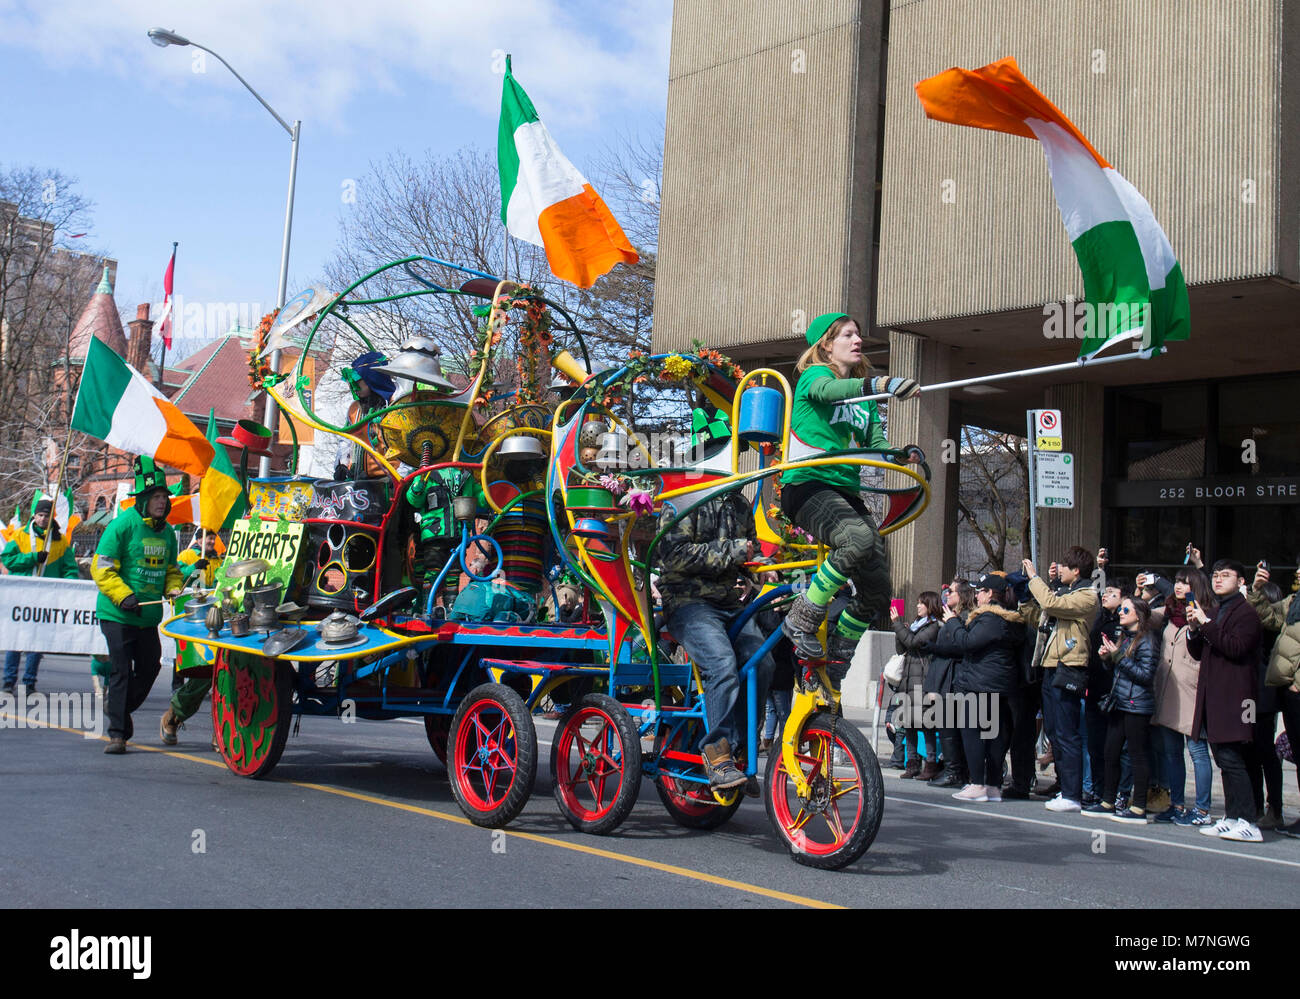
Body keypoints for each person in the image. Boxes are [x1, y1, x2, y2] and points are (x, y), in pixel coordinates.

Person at [778, 312, 920, 681]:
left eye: (858, 335)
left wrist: (901, 455)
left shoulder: (866, 396)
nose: (858, 340)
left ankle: (839, 654)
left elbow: (876, 446)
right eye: (848, 335)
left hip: (845, 491)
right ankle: (801, 617)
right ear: (826, 344)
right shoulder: (815, 377)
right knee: (856, 540)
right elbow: (830, 392)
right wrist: (883, 383)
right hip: (808, 486)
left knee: (878, 588)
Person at [657, 469, 775, 794]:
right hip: (687, 602)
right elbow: (672, 555)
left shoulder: (739, 504)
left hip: (729, 603)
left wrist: (762, 568)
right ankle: (717, 756)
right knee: (722, 664)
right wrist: (736, 552)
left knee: (762, 663)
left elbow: (749, 556)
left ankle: (739, 749)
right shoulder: (682, 497)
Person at [90, 457, 184, 754]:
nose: (161, 502)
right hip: (117, 613)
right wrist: (123, 595)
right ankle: (118, 734)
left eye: (164, 498)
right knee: (120, 669)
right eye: (156, 497)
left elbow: (171, 568)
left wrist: (173, 586)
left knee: (150, 666)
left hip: (146, 617)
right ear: (143, 499)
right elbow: (101, 567)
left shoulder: (168, 533)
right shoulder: (121, 525)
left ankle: (116, 704)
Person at [1187, 559, 1264, 843]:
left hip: (1238, 698)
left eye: (1226, 575)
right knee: (1222, 757)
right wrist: (1195, 629)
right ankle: (1232, 816)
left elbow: (1236, 647)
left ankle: (1249, 820)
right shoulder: (1216, 611)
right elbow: (1199, 652)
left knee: (1235, 759)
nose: (1218, 580)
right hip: (1214, 695)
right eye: (1215, 576)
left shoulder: (1247, 614)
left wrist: (1206, 624)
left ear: (1241, 581)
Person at [930, 572, 1024, 802]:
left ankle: (978, 783)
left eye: (980, 591)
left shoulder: (991, 619)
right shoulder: (1008, 620)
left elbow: (967, 643)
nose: (977, 595)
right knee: (994, 736)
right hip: (997, 684)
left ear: (991, 594)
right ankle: (992, 785)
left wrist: (952, 622)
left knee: (973, 732)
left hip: (981, 683)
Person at [1023, 546, 1099, 813]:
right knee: (1055, 732)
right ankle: (1065, 789)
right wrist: (1026, 593)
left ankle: (1072, 793)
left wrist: (1035, 578)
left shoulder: (1087, 596)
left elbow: (1052, 604)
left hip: (1070, 665)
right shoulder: (1063, 593)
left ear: (1077, 570)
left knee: (1067, 733)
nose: (1060, 570)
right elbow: (1040, 615)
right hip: (1051, 664)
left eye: (1065, 567)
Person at [1151, 568, 1217, 826]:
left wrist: (1198, 624)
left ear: (1197, 586)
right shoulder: (1169, 612)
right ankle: (1177, 804)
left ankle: (1202, 809)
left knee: (1198, 751)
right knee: (1171, 752)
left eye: (1184, 582)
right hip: (1168, 693)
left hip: (1194, 692)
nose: (1178, 586)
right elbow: (1143, 615)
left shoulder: (1207, 614)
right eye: (1177, 582)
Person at [1085, 597, 1159, 822]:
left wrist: (1117, 657)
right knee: (1110, 752)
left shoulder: (1147, 640)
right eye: (1121, 609)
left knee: (1137, 755)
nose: (1121, 613)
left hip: (1137, 704)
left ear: (1139, 614)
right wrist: (1108, 659)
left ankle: (1138, 807)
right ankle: (1108, 801)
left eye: (1126, 609)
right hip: (1119, 701)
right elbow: (1119, 672)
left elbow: (1145, 676)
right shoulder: (1125, 638)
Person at [2, 498, 82, 694]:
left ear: (52, 517)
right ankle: (8, 681)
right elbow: (8, 560)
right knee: (16, 640)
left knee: (38, 642)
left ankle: (29, 682)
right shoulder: (20, 536)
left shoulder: (60, 541)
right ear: (34, 516)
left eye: (47, 515)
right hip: (20, 597)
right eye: (40, 515)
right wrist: (32, 558)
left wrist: (70, 588)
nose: (43, 519)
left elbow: (69, 568)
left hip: (45, 600)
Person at [1248, 562, 1300, 838]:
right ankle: (1257, 807)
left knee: (1267, 749)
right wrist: (1256, 590)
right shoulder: (1293, 603)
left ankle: (1274, 809)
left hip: (1279, 689)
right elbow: (1268, 617)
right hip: (1266, 687)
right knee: (1252, 747)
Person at [160, 531, 222, 749]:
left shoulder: (220, 559)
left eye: (213, 538)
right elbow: (179, 576)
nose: (211, 541)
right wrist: (194, 566)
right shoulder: (186, 555)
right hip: (195, 619)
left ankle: (221, 733)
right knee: (205, 674)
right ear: (199, 539)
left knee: (224, 680)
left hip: (219, 616)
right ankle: (175, 714)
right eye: (208, 537)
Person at [924, 581, 975, 788]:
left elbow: (960, 646)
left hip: (954, 676)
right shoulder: (951, 616)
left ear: (962, 595)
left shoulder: (964, 618)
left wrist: (935, 648)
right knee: (947, 727)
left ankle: (956, 771)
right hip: (945, 675)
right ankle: (953, 768)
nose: (946, 595)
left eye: (951, 592)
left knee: (950, 727)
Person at [890, 591, 942, 780]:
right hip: (908, 680)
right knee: (909, 724)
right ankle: (911, 764)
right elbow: (902, 648)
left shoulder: (934, 626)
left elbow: (913, 642)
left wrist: (898, 625)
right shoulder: (915, 625)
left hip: (923, 679)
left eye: (921, 603)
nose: (918, 606)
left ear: (930, 605)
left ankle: (930, 764)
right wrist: (900, 629)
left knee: (926, 724)